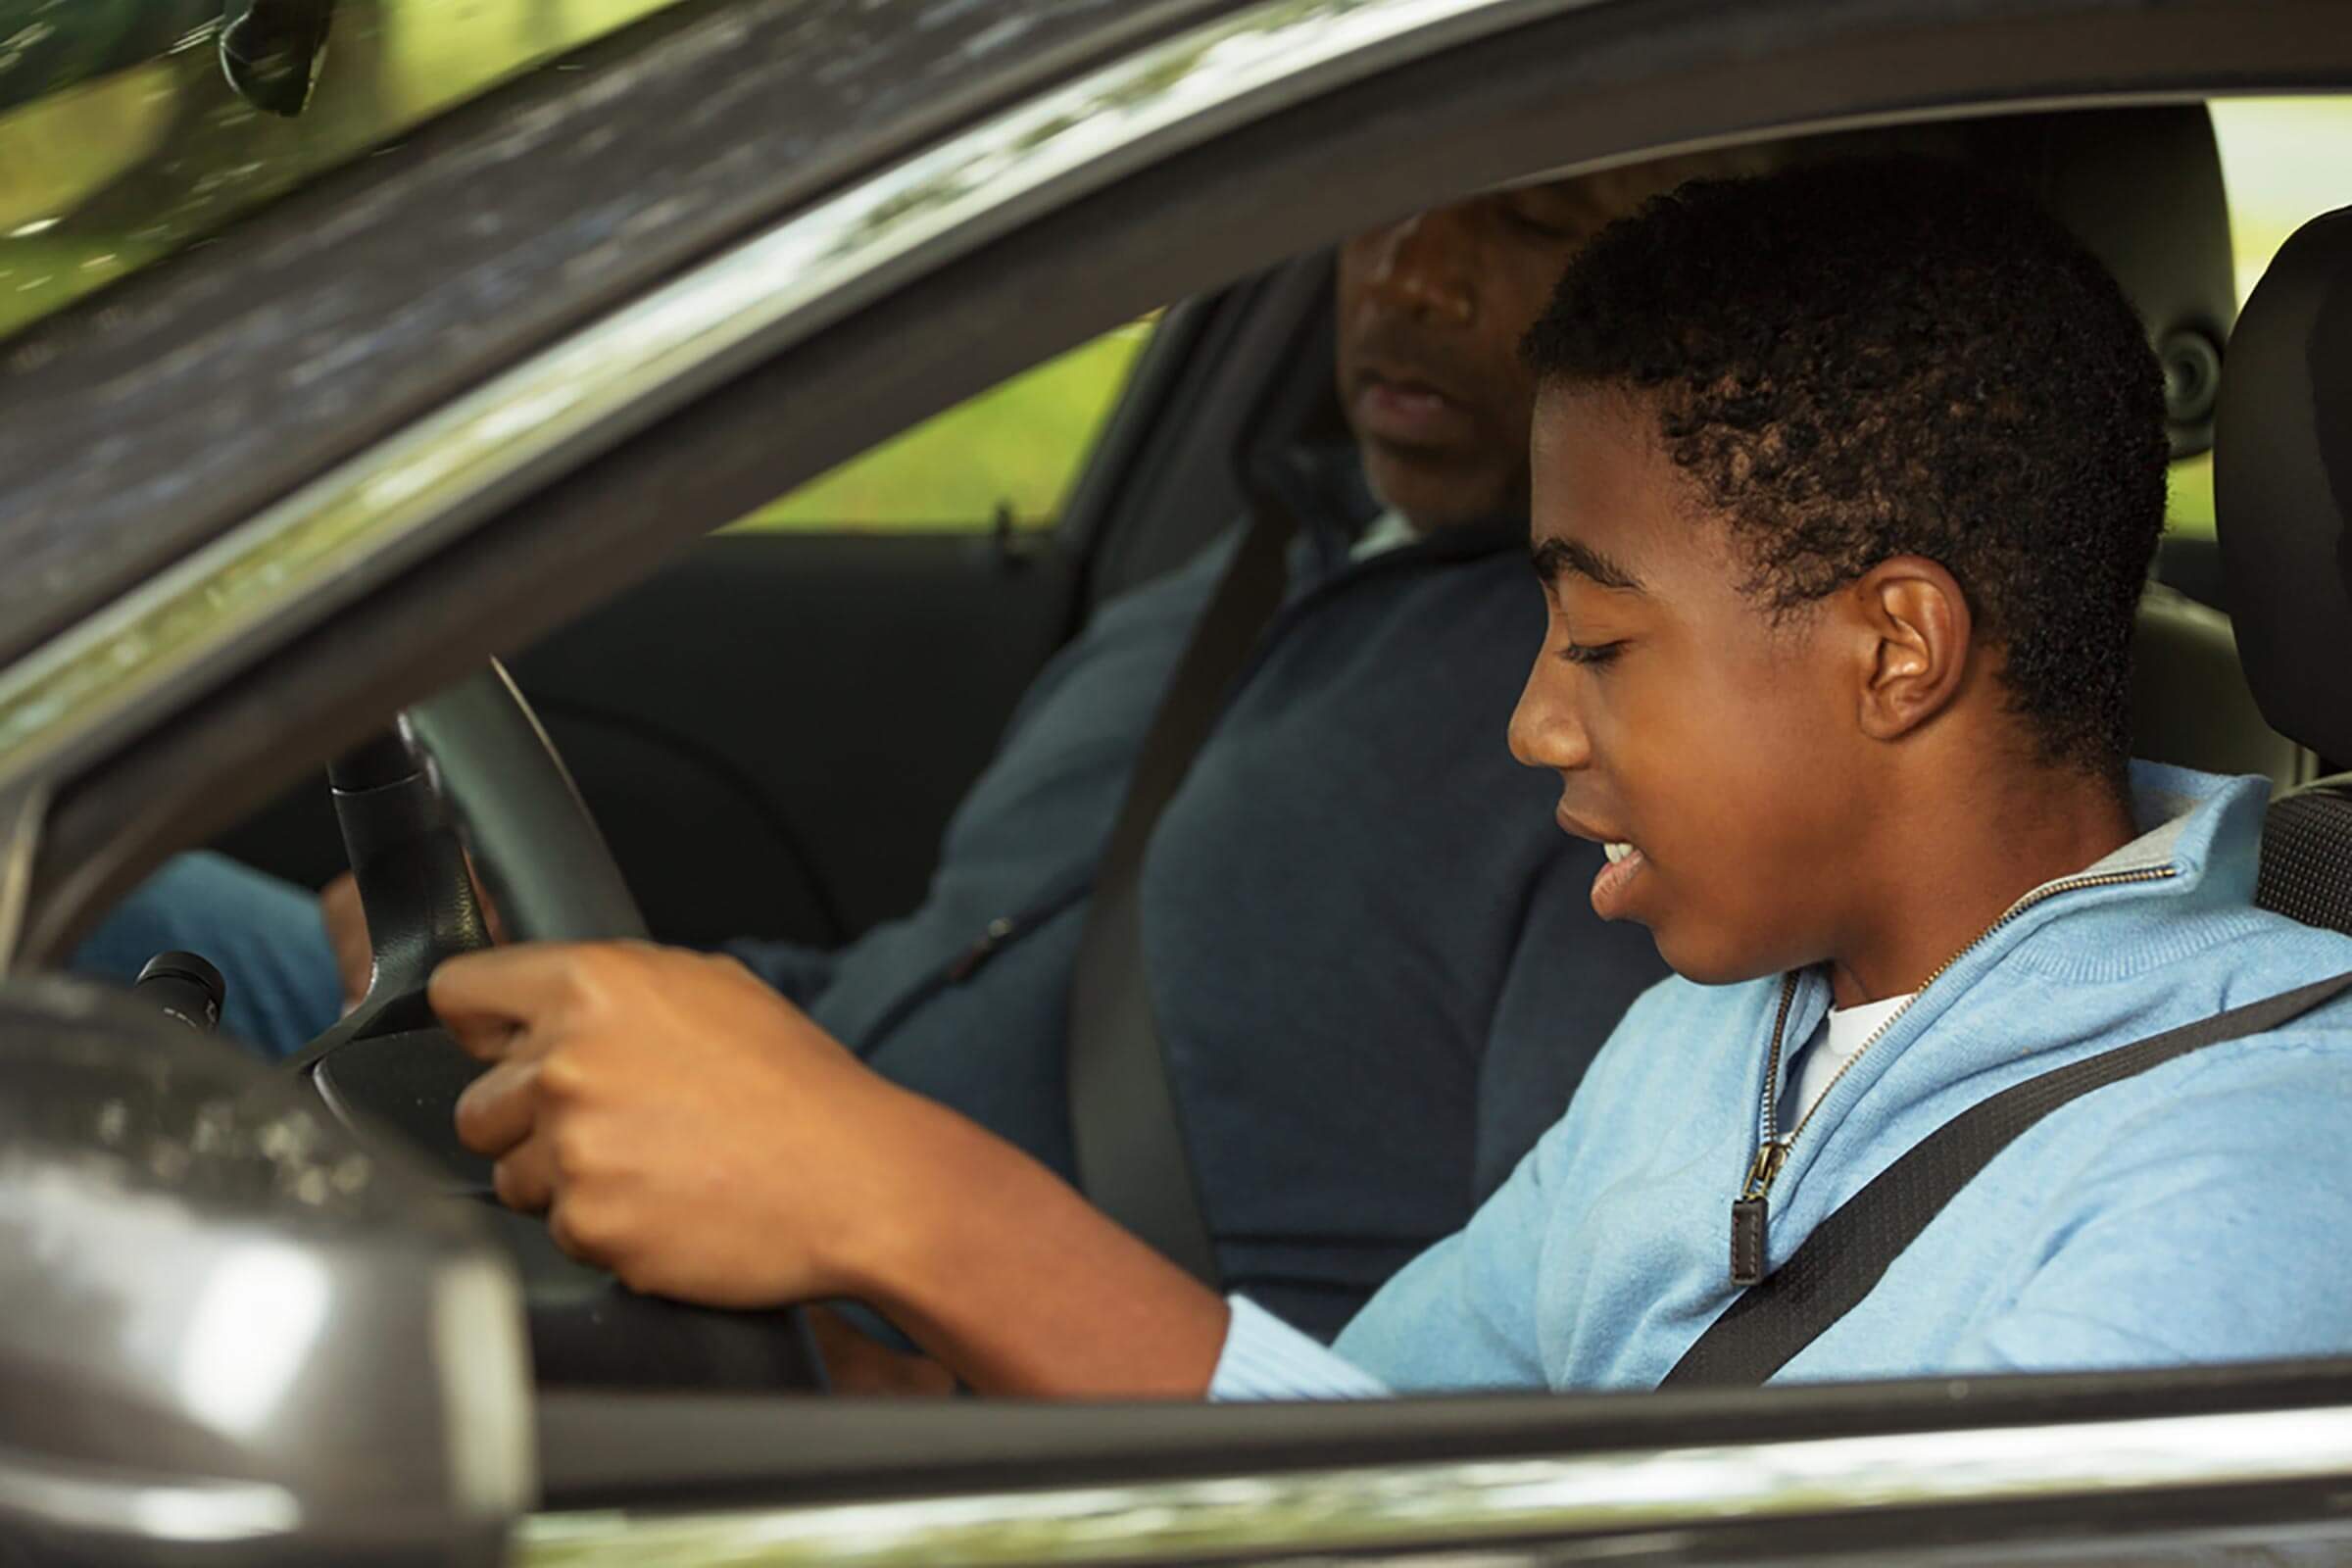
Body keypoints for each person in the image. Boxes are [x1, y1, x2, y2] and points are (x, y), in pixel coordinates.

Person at [427, 158, 2352, 1397]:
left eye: (1598, 645)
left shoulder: (2256, 1174)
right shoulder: (1717, 1044)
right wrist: (872, 1335)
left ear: (1897, 647)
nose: (1532, 721)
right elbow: (1383, 1441)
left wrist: (919, 1202)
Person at [73, 157, 1786, 1337]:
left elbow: (1531, 1358)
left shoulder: (1637, 751)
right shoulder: (1246, 566)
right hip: (734, 1156)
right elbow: (944, 980)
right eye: (1380, 199)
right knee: (98, 885)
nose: (1412, 269)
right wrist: (603, 982)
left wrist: (945, 1309)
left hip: (882, 1345)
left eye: (1530, 218)